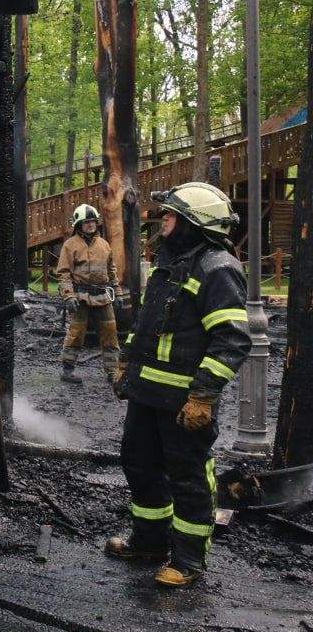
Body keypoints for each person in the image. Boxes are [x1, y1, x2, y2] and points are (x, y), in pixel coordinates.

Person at [106, 182, 248, 588]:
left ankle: (187, 560)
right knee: (140, 464)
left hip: (186, 401)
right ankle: (149, 541)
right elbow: (150, 324)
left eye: (170, 216)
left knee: (187, 476)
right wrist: (127, 362)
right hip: (148, 394)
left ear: (193, 223)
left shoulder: (217, 268)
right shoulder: (171, 264)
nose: (163, 221)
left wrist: (203, 395)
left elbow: (232, 339)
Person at [55, 204, 121, 385]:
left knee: (110, 334)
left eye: (93, 221)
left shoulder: (104, 245)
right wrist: (69, 296)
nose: (90, 225)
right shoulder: (70, 245)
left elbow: (112, 271)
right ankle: (67, 370)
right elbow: (63, 274)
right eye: (86, 222)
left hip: (102, 296)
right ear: (79, 225)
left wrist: (118, 293)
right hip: (80, 297)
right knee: (76, 333)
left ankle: (112, 372)